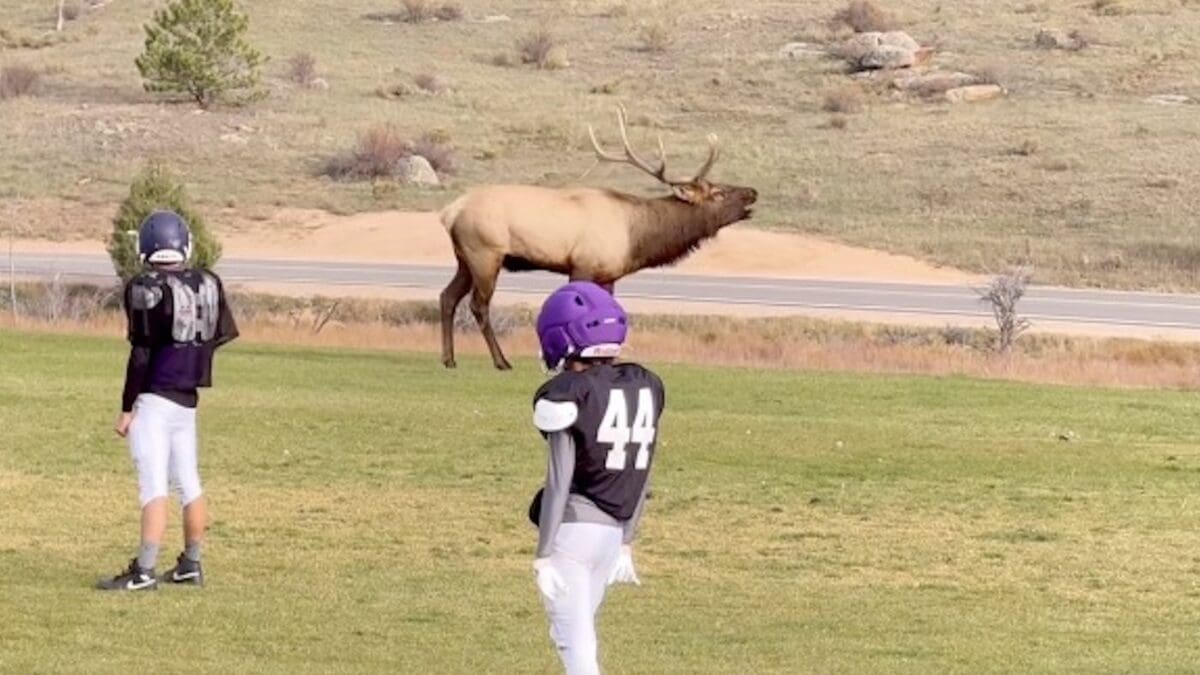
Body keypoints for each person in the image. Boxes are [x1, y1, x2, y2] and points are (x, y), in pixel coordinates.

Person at [528, 281, 666, 674]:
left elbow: (559, 477)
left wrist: (542, 554)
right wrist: (627, 540)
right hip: (611, 537)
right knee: (576, 643)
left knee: (580, 657)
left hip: (573, 533)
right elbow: (644, 468)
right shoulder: (644, 385)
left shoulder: (569, 391)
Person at [96, 210, 238, 591]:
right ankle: (191, 563)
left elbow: (141, 353)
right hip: (187, 400)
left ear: (145, 248)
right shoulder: (207, 282)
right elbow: (216, 337)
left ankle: (143, 571)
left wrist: (127, 407)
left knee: (153, 485)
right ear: (184, 244)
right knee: (189, 482)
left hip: (156, 399)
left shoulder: (147, 288)